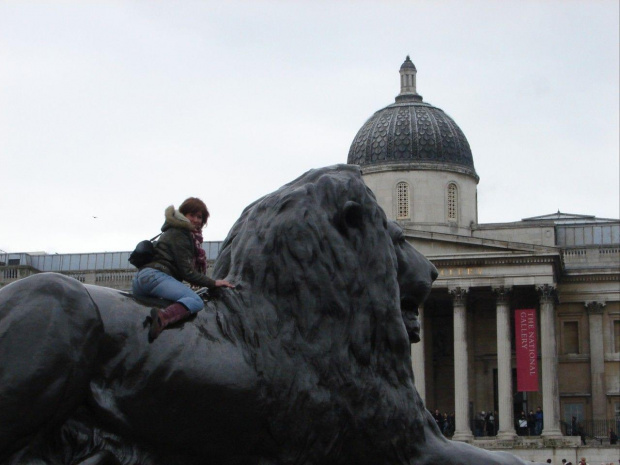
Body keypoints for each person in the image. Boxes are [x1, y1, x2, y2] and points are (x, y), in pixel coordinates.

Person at [132, 198, 235, 341]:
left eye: (200, 217)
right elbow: (187, 272)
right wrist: (214, 283)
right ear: (183, 215)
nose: (197, 220)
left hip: (140, 279)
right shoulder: (181, 233)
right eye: (192, 215)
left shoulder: (171, 230)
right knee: (195, 301)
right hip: (155, 277)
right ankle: (162, 318)